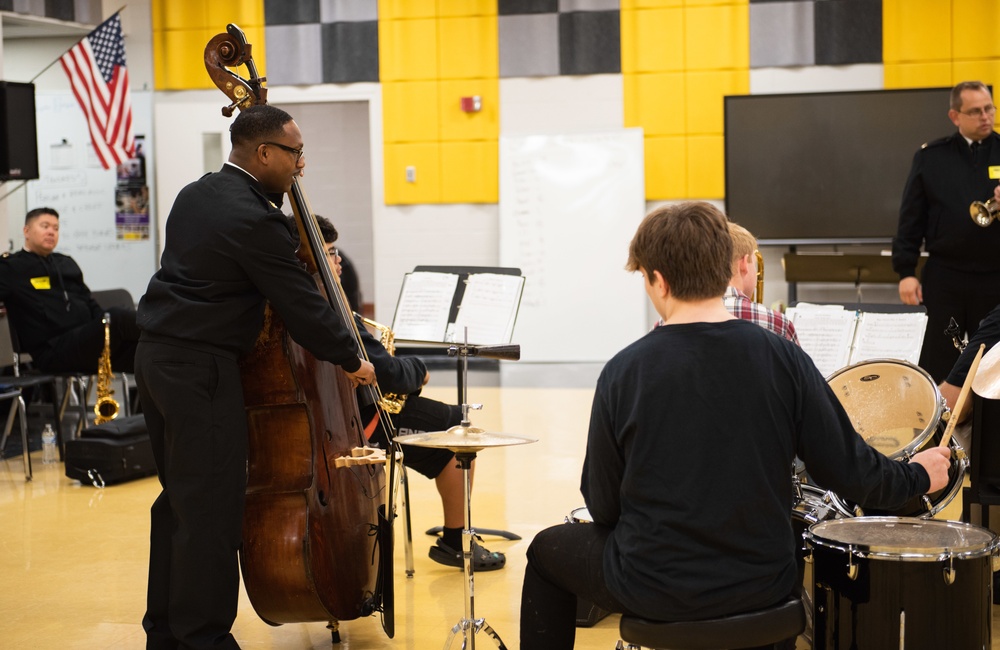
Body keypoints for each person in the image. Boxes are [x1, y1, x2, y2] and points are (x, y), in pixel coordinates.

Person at [519, 201, 951, 650]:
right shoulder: (783, 358)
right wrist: (918, 475)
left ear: (659, 280)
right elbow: (850, 471)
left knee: (546, 551)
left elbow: (603, 506)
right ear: (723, 267)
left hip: (655, 587)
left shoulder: (623, 372)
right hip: (764, 585)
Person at [134, 104, 376, 650]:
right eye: (294, 153)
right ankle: (204, 637)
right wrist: (350, 356)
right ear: (263, 152)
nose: (301, 165)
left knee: (178, 501)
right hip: (202, 368)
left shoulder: (197, 193)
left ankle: (166, 632)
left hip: (155, 360)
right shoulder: (253, 218)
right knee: (213, 510)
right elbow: (297, 302)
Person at [311, 214, 505, 571]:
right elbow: (386, 373)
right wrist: (420, 371)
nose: (338, 260)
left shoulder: (300, 305)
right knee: (455, 430)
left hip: (331, 416)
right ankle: (455, 540)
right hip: (359, 422)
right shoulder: (332, 311)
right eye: (330, 252)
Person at [893, 80, 1000, 383]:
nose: (985, 117)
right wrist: (906, 272)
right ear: (956, 116)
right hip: (946, 277)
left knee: (992, 362)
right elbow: (910, 219)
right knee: (938, 358)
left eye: (989, 108)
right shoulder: (931, 157)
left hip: (995, 276)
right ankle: (938, 427)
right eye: (976, 111)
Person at [0, 207, 139, 373]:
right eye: (45, 226)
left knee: (147, 355)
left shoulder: (65, 263)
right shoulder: (11, 268)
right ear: (26, 231)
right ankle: (171, 331)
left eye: (56, 228)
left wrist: (103, 325)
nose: (51, 232)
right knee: (118, 318)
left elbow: (89, 302)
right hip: (53, 351)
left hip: (84, 341)